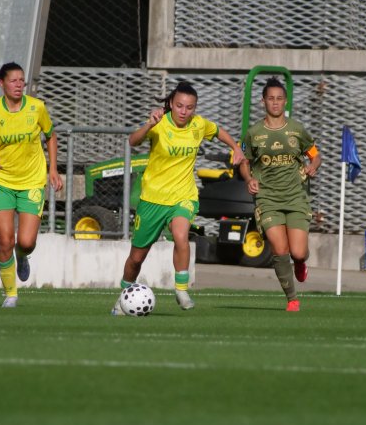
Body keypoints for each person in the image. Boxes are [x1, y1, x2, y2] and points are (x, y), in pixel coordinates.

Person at [113, 81, 244, 314]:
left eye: (190, 107)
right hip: (153, 199)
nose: (184, 111)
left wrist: (236, 147)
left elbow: (218, 131)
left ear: (195, 108)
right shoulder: (159, 123)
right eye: (180, 106)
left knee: (181, 235)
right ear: (171, 104)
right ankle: (123, 298)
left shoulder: (198, 125)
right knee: (136, 259)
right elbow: (132, 141)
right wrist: (147, 125)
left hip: (183, 196)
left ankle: (181, 289)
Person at [0, 62, 62, 308]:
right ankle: (10, 294)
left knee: (25, 242)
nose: (18, 85)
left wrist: (52, 169)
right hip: (1, 181)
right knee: (4, 241)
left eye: (21, 80)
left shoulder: (37, 107)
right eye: (13, 80)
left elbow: (50, 135)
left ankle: (23, 256)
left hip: (32, 180)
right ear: (1, 84)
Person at [238, 77, 321, 312]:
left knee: (297, 252)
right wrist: (249, 178)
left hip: (296, 197)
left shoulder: (297, 130)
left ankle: (301, 262)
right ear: (263, 101)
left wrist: (313, 165)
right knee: (280, 249)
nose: (275, 103)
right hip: (268, 199)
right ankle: (292, 299)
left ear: (285, 102)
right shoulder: (254, 133)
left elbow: (315, 154)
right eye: (270, 99)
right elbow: (244, 161)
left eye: (279, 99)